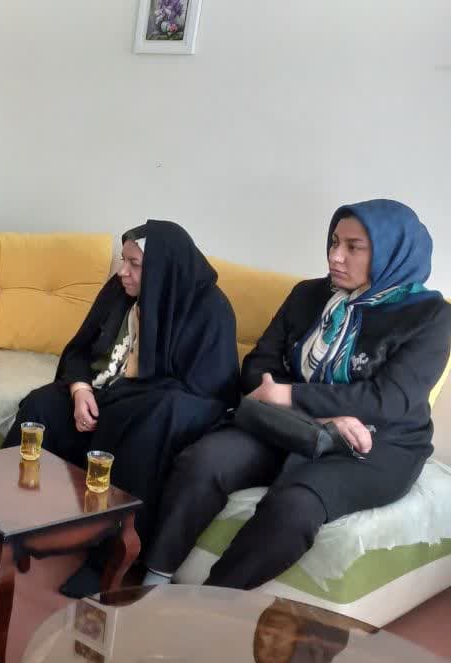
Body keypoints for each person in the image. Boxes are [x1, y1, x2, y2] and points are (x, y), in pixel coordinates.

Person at [143, 200, 451, 590]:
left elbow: (388, 401)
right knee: (202, 463)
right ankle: (152, 582)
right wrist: (319, 414)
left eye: (353, 247)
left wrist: (290, 395)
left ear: (392, 251)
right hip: (288, 424)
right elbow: (257, 367)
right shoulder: (308, 294)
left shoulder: (431, 317)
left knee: (293, 508)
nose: (335, 256)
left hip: (374, 443)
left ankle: (211, 606)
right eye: (334, 242)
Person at [0, 220, 239, 599]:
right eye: (122, 260)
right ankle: (1, 517)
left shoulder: (210, 310)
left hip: (147, 415)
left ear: (162, 269)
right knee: (39, 405)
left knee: (150, 427)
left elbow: (208, 395)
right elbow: (80, 349)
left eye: (134, 264)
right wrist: (80, 389)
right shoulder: (120, 291)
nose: (122, 272)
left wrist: (127, 400)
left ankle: (104, 560)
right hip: (100, 396)